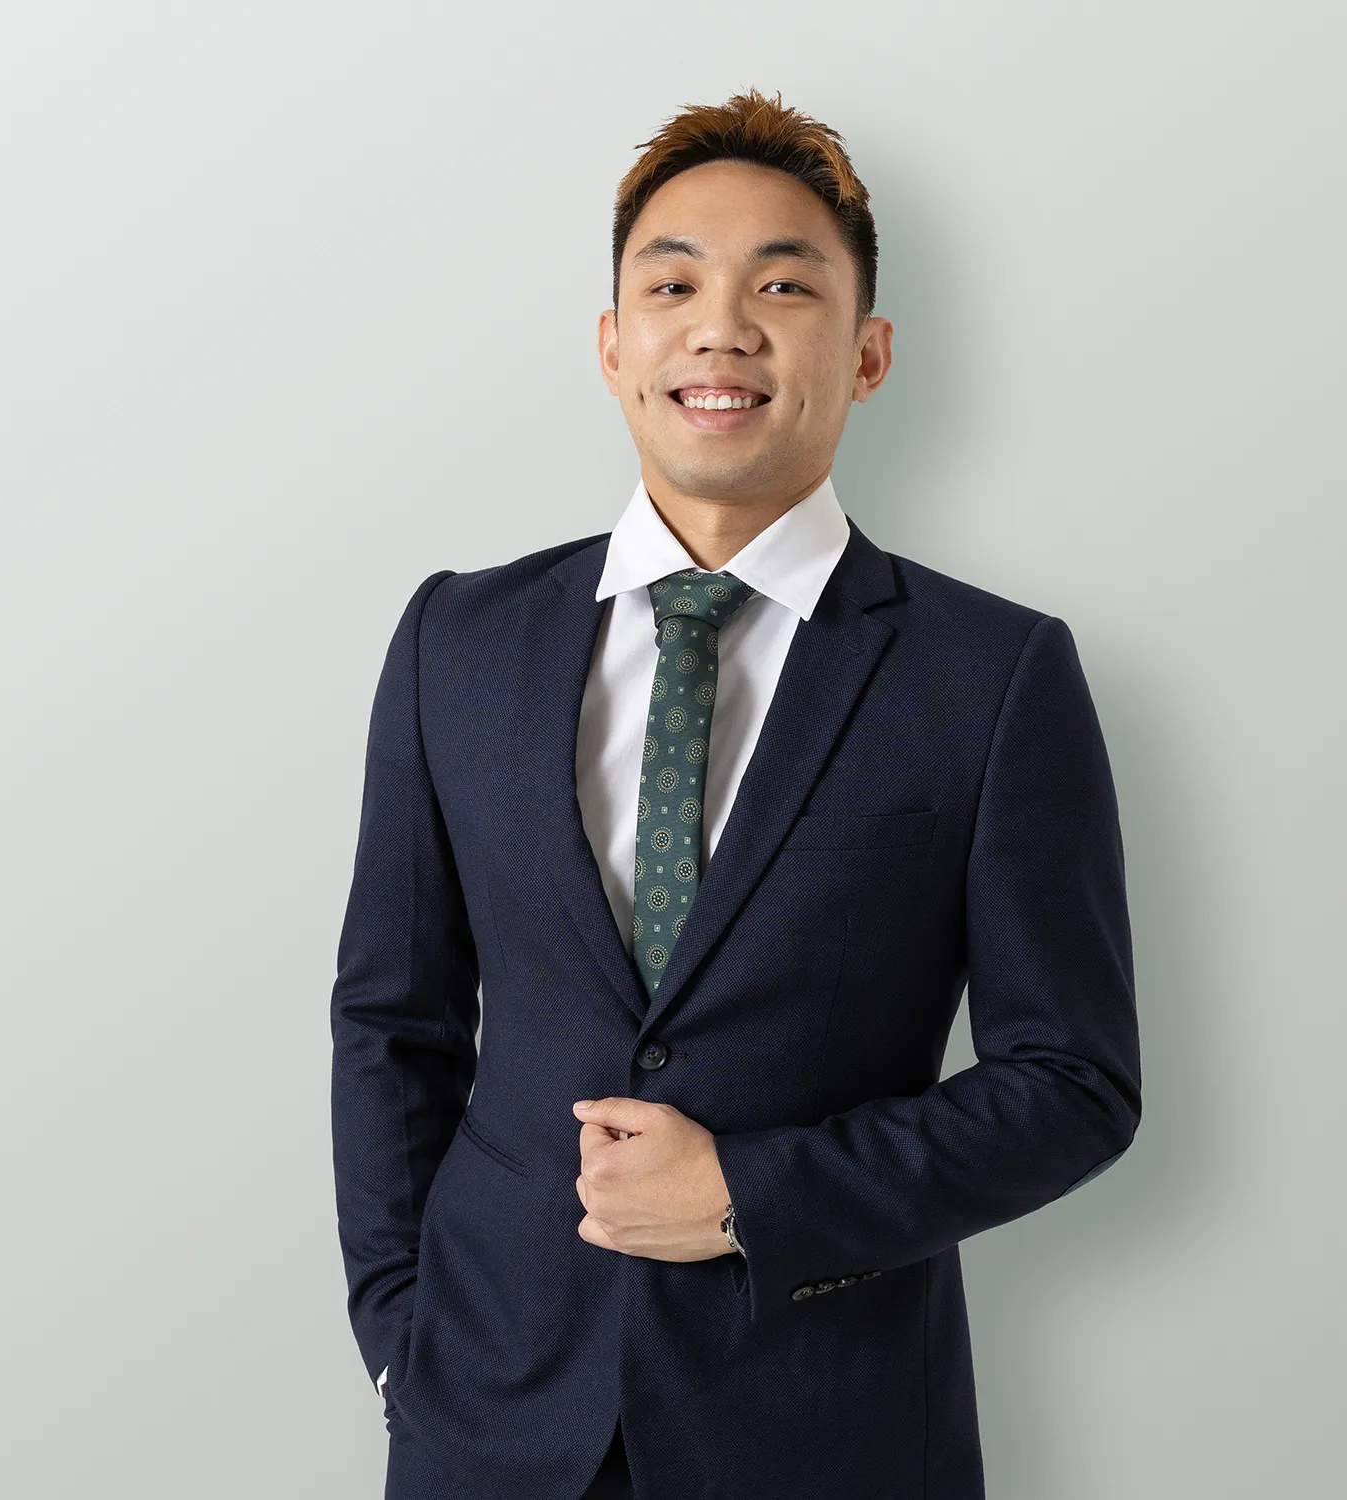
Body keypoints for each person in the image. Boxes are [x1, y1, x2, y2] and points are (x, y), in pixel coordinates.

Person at [330, 86, 1141, 1500]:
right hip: (485, 1419)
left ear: (868, 353)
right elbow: (393, 1020)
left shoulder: (993, 675)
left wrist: (750, 1197)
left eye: (783, 284)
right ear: (613, 346)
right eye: (674, 285)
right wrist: (404, 1343)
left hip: (828, 1432)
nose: (722, 328)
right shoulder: (458, 641)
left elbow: (1072, 1084)